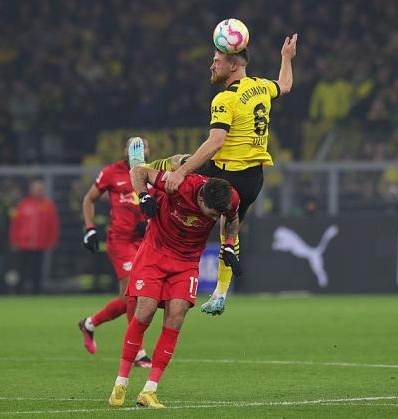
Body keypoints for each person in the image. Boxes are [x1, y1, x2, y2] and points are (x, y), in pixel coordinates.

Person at [133, 34, 298, 315]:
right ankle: (221, 293)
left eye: (216, 61)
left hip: (224, 173)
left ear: (232, 65)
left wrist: (184, 172)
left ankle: (141, 168)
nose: (212, 65)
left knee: (177, 166)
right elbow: (285, 85)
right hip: (253, 179)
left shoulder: (225, 99)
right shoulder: (259, 87)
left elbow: (215, 142)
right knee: (230, 230)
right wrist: (286, 58)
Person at [108, 165, 241, 409]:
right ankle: (121, 382)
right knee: (145, 311)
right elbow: (138, 170)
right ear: (200, 197)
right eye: (211, 214)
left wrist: (230, 244)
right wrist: (144, 196)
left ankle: (149, 391)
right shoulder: (179, 184)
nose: (213, 219)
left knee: (176, 317)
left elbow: (232, 220)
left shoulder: (229, 198)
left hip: (187, 261)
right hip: (155, 253)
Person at [77, 137, 153, 368]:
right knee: (135, 293)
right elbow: (88, 199)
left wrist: (150, 223)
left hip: (145, 242)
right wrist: (90, 229)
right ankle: (137, 351)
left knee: (128, 298)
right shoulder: (112, 172)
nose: (140, 150)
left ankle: (89, 323)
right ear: (125, 150)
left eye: (144, 146)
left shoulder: (153, 173)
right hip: (120, 241)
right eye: (134, 146)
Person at [8, 179, 60, 294]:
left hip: (40, 245)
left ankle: (36, 292)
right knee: (21, 271)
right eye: (35, 188)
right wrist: (14, 240)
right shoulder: (23, 204)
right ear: (30, 189)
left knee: (37, 271)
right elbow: (15, 224)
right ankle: (19, 292)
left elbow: (53, 225)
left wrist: (52, 241)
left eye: (39, 188)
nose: (37, 190)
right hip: (23, 245)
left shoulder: (48, 205)